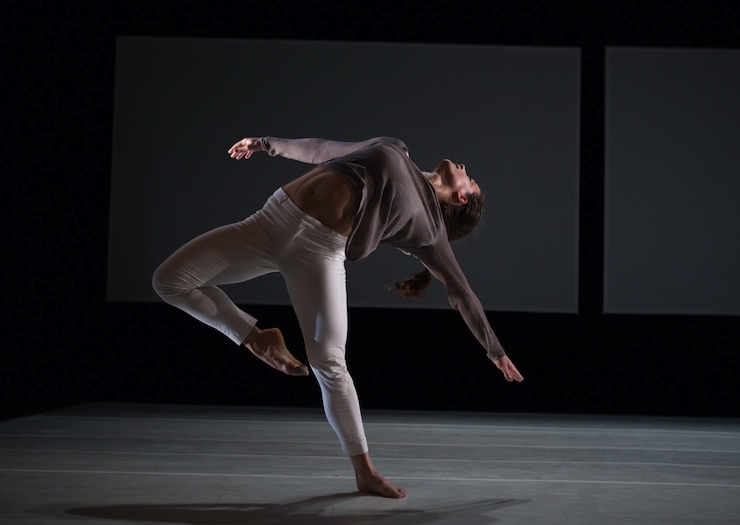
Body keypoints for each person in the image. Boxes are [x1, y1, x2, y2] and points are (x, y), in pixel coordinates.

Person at [152, 135, 524, 499]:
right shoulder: (394, 148)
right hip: (269, 222)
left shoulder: (429, 231)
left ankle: (365, 472)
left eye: (470, 180)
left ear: (461, 198)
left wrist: (495, 349)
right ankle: (257, 339)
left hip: (318, 253)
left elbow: (461, 292)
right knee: (169, 281)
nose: (465, 169)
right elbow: (322, 151)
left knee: (329, 362)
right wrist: (266, 144)